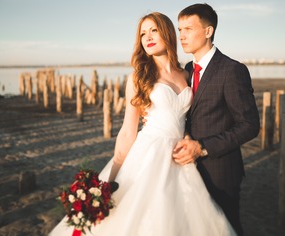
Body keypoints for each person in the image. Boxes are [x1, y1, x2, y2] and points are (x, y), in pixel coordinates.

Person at [49, 12, 236, 236]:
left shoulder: (186, 74)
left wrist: (188, 137)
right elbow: (128, 131)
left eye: (153, 30)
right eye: (143, 34)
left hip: (180, 157)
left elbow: (193, 117)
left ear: (167, 33)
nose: (147, 37)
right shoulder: (138, 78)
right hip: (149, 153)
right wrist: (112, 174)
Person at [172, 3, 261, 236]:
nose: (182, 36)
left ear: (208, 31)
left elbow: (249, 126)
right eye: (180, 29)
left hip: (220, 171)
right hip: (186, 170)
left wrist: (201, 147)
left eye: (189, 29)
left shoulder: (232, 70)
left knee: (226, 229)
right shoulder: (187, 70)